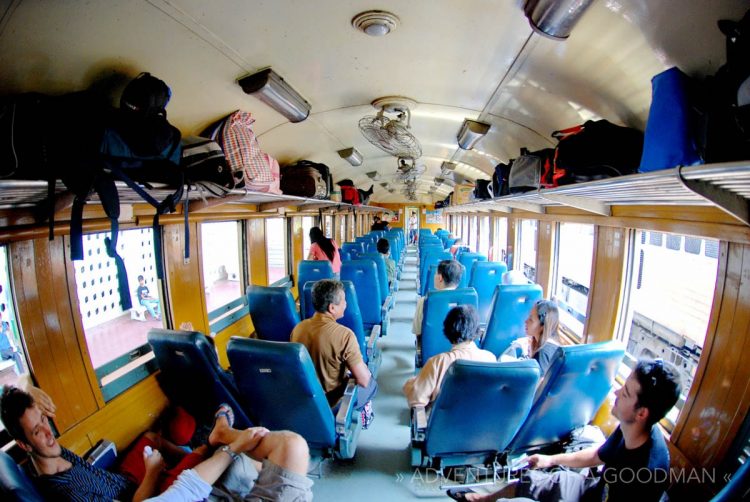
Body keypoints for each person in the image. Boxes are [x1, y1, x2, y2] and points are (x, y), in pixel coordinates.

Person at [0, 387, 312, 502]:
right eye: (37, 432)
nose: (48, 432)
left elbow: (20, 404)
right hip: (148, 492)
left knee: (156, 436)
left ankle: (219, 438)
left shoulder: (52, 453)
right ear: (23, 445)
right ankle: (218, 439)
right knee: (287, 448)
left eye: (44, 420)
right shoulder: (65, 491)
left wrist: (27, 391)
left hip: (127, 481)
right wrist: (153, 473)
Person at [448, 358, 682, 502]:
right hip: (595, 491)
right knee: (529, 480)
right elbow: (596, 456)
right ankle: (482, 500)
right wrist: (549, 460)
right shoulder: (629, 427)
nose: (617, 393)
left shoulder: (647, 472)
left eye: (627, 393)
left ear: (642, 413)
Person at [291, 279, 377, 428]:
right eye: (343, 301)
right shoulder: (345, 335)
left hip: (305, 402)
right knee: (371, 384)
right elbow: (363, 380)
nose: (346, 304)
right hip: (331, 404)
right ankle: (361, 419)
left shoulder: (298, 329)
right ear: (332, 308)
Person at [403, 305, 495, 409]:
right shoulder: (490, 358)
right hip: (482, 422)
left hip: (442, 424)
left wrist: (411, 384)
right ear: (477, 330)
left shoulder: (437, 362)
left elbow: (416, 399)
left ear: (447, 330)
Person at [413, 260, 463, 339]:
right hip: (460, 349)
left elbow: (418, 332)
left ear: (440, 278)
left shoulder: (425, 301)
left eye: (436, 273)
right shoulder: (466, 302)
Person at [525, 299, 561, 376]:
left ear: (542, 326)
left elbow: (537, 386)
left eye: (531, 319)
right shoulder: (555, 345)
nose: (526, 321)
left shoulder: (542, 354)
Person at [0, 310, 24, 375]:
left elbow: (10, 336)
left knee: (20, 349)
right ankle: (23, 374)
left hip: (10, 348)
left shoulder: (4, 324)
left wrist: (14, 346)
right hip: (4, 351)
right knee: (16, 354)